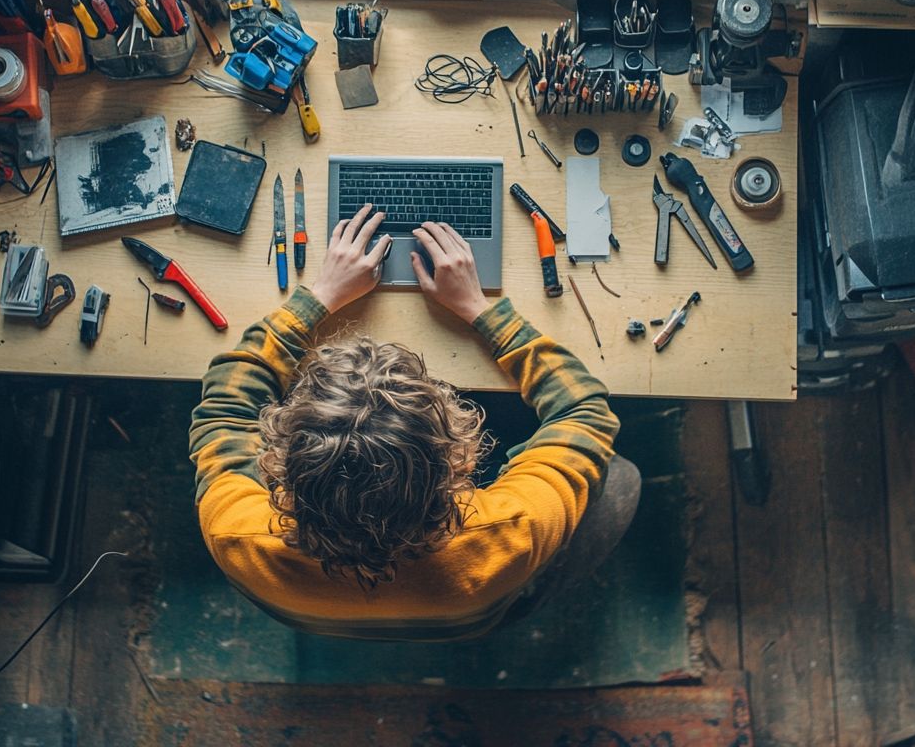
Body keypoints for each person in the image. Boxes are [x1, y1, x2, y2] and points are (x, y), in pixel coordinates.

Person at [189, 204, 641, 641]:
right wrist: (481, 310)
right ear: (456, 461)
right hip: (474, 613)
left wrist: (322, 294)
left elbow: (226, 401)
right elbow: (584, 411)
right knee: (622, 477)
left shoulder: (235, 533)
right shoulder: (509, 537)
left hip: (305, 610)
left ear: (282, 464)